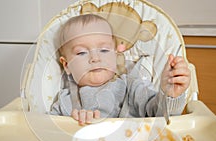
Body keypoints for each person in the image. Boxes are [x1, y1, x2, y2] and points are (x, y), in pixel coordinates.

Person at [50, 14, 191, 125]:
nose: (95, 58)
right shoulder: (64, 103)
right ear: (67, 65)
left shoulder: (132, 87)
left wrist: (170, 94)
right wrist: (73, 124)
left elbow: (161, 115)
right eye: (81, 53)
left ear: (115, 56)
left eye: (104, 50)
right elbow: (49, 131)